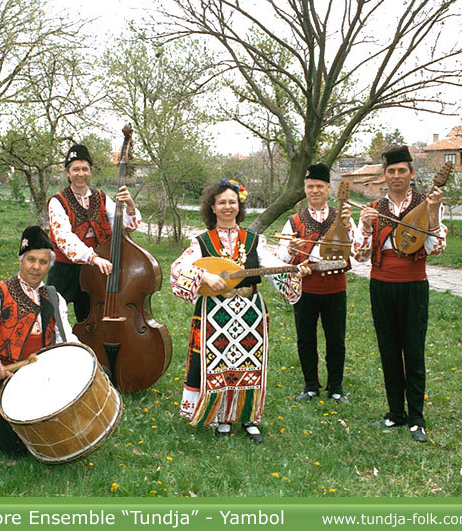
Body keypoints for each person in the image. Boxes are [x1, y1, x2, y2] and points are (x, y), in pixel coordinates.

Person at [171, 179, 310, 443]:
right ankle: (221, 416)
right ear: (212, 207)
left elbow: (272, 265)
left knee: (249, 363)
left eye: (232, 202)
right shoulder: (201, 241)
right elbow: (178, 269)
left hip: (250, 313)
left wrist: (294, 271)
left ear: (239, 206)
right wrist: (204, 277)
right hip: (215, 312)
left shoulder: (254, 240)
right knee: (219, 364)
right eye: (221, 202)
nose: (227, 207)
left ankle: (249, 417)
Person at [355, 146, 446, 443]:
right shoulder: (373, 207)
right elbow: (359, 255)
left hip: (414, 285)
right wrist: (366, 228)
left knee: (414, 349)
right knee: (389, 349)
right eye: (391, 171)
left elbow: (436, 248)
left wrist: (432, 213)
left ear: (411, 173)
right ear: (384, 176)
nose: (396, 176)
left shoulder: (427, 202)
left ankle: (417, 417)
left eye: (401, 171)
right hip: (381, 285)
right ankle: (395, 413)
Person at [0, 226, 78, 455]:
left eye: (43, 262)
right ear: (21, 260)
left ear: (49, 265)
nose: (36, 267)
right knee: (14, 448)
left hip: (41, 377)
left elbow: (66, 337)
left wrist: (81, 356)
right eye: (30, 260)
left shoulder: (55, 298)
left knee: (48, 439)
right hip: (5, 377)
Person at [276, 163, 355, 404]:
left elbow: (355, 249)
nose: (315, 190)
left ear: (329, 188)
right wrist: (292, 248)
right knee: (306, 338)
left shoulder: (342, 216)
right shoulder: (294, 221)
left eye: (320, 186)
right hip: (306, 288)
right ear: (305, 189)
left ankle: (336, 387)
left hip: (335, 287)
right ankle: (310, 385)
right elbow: (281, 257)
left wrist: (349, 225)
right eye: (310, 186)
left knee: (336, 339)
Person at [47, 144, 140, 321]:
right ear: (68, 173)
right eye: (75, 169)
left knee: (91, 319)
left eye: (85, 169)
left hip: (94, 269)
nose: (80, 174)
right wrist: (93, 257)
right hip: (64, 269)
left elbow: (126, 227)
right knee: (53, 318)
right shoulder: (57, 201)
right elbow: (64, 239)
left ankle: (88, 348)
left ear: (90, 171)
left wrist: (130, 205)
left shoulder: (101, 197)